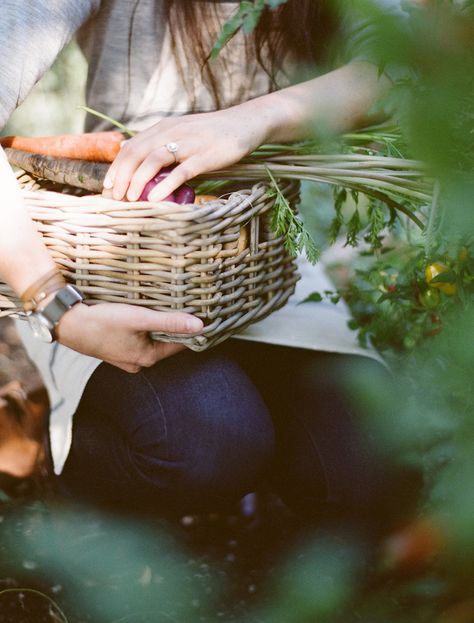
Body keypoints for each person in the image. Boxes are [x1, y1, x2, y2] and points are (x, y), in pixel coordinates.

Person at [0, 0, 401, 527]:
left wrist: (246, 122)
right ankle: (73, 483)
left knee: (373, 462)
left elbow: (402, 64)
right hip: (117, 265)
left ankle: (252, 443)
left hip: (258, 260)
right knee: (204, 446)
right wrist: (55, 303)